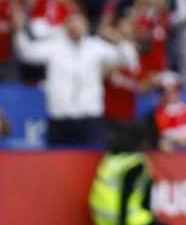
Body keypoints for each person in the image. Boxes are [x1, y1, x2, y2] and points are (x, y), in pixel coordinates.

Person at [13, 10, 137, 148]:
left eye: (80, 23)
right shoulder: (54, 46)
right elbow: (27, 53)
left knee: (89, 164)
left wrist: (118, 39)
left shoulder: (95, 47)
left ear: (87, 26)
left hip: (90, 117)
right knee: (58, 163)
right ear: (65, 26)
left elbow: (129, 61)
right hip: (60, 117)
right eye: (72, 23)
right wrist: (19, 30)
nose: (76, 27)